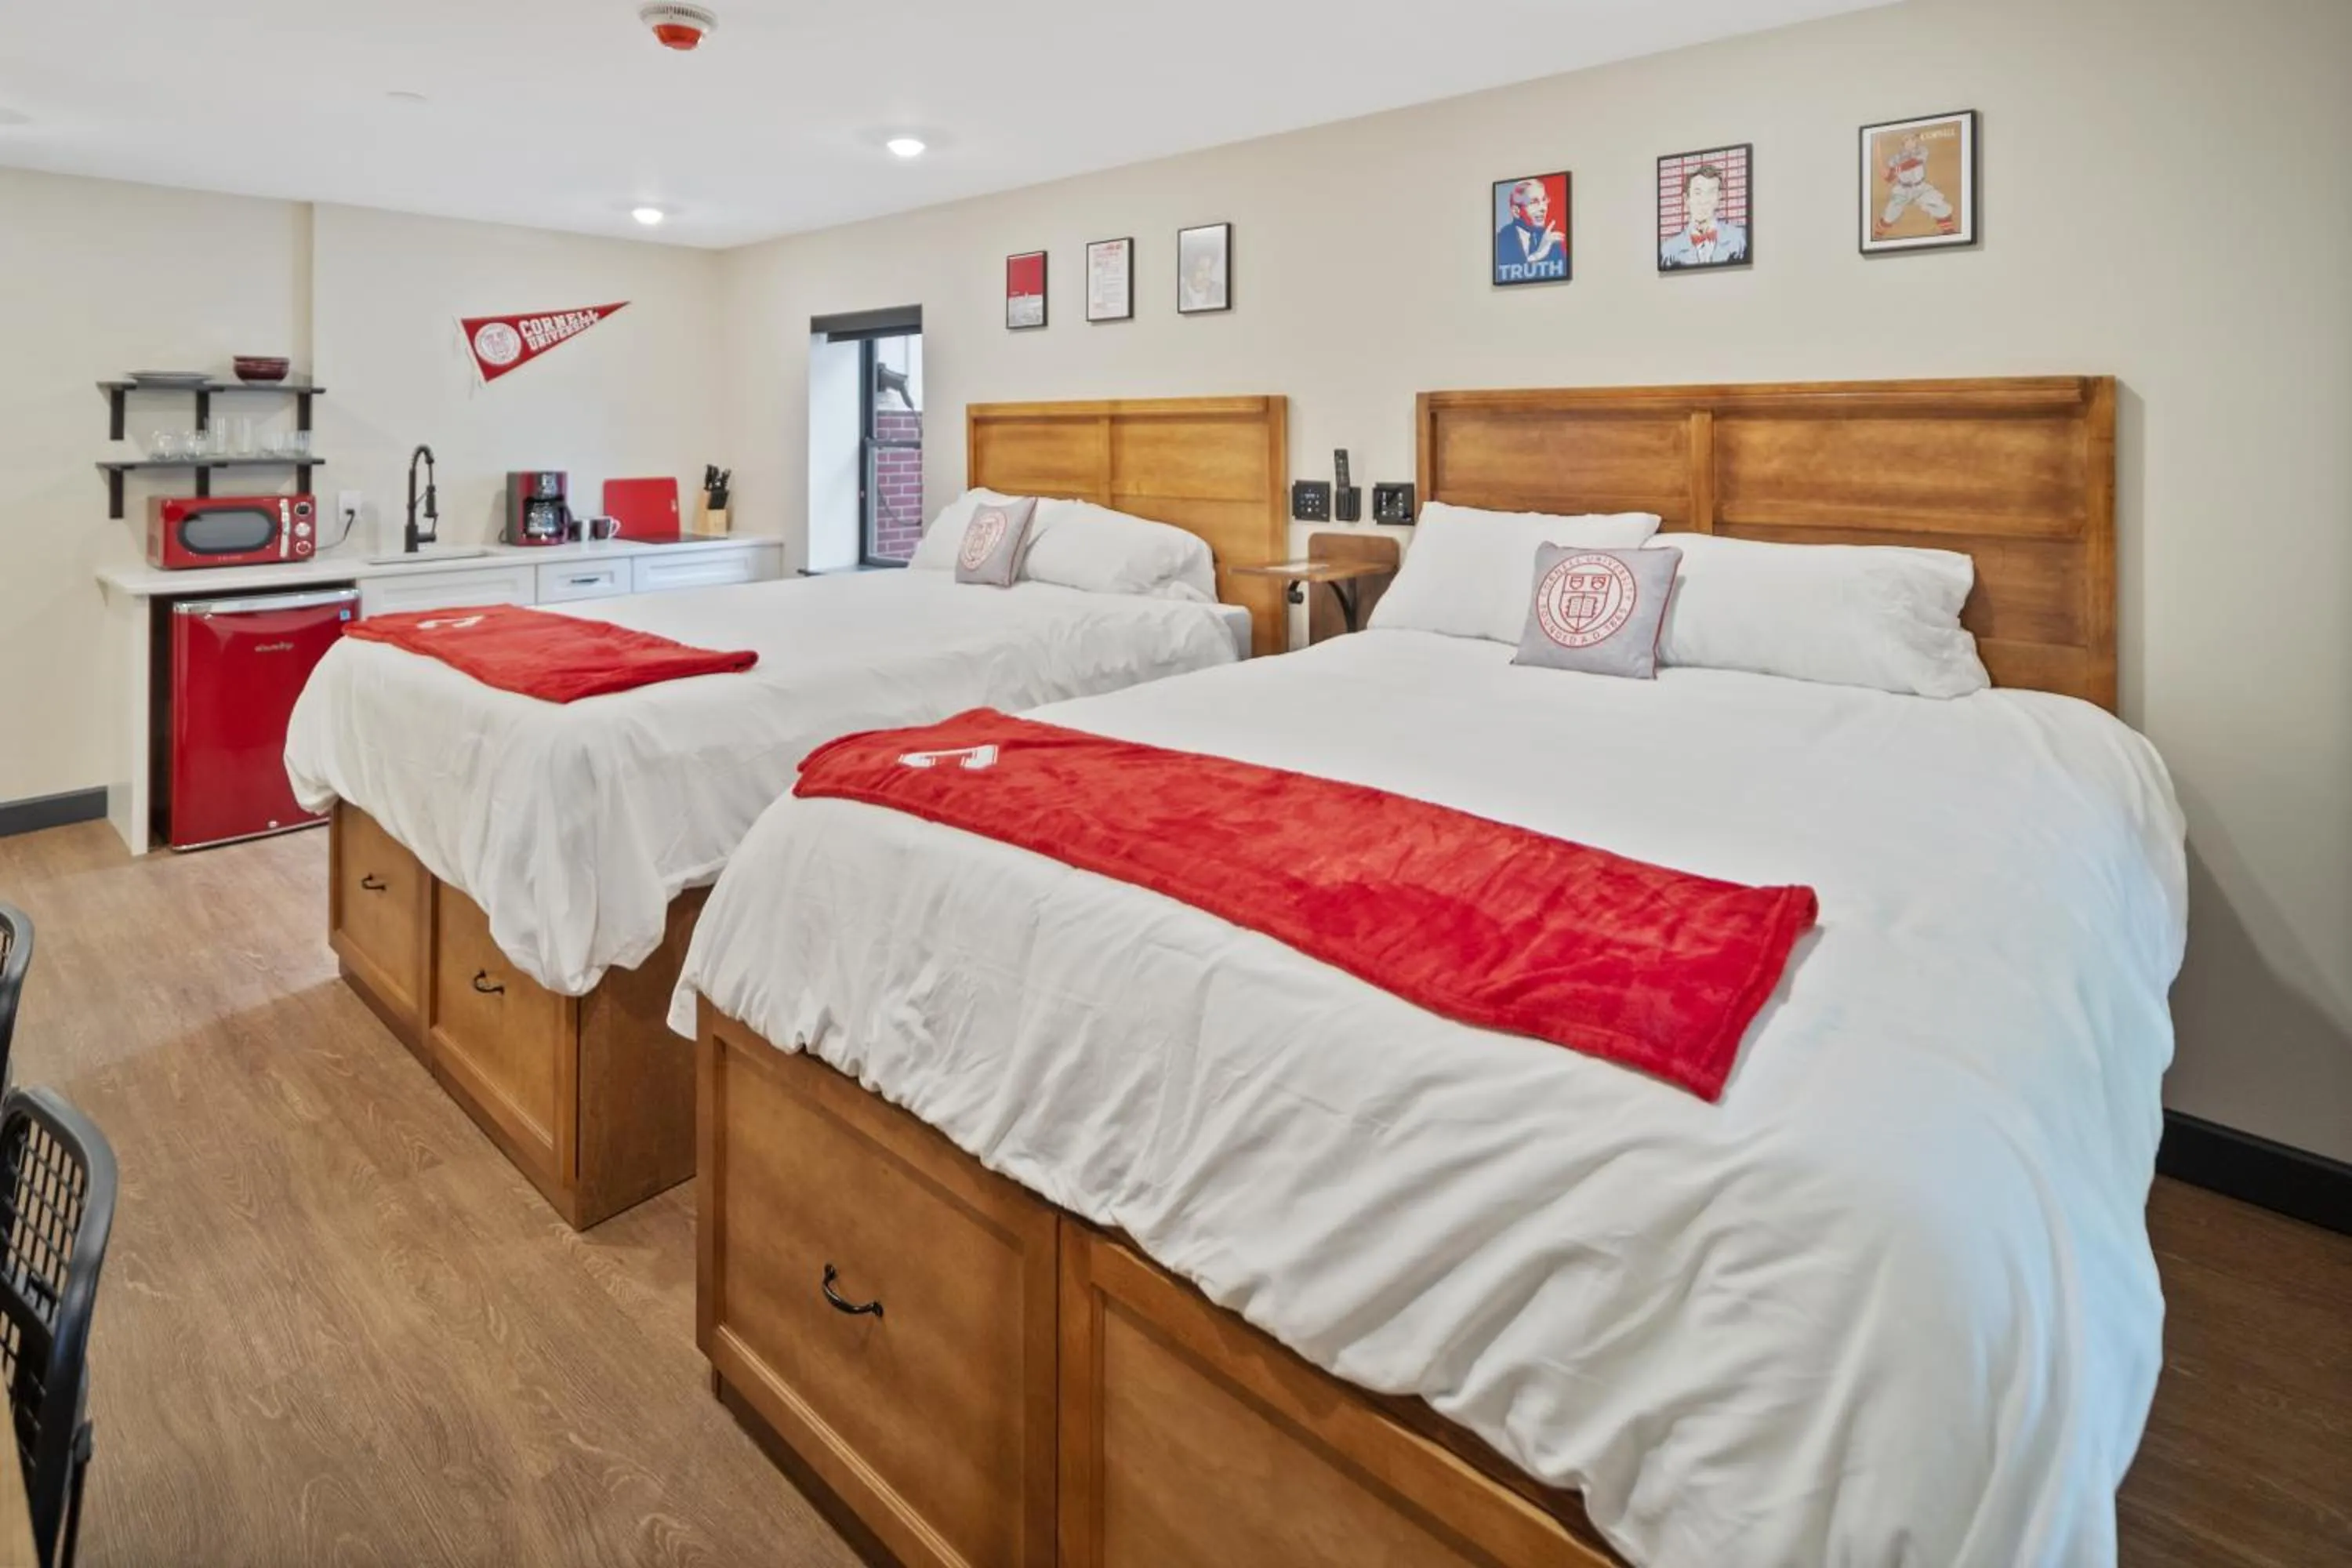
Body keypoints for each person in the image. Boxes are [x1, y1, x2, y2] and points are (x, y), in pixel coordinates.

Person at [1659, 162, 1747, 268]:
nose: (1704, 201)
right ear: (1686, 199)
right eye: (1698, 193)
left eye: (1711, 193)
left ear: (1719, 198)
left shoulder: (1739, 238)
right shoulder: (1669, 249)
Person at [1876, 131, 1957, 237]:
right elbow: (1889, 178)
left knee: (1939, 204)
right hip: (1903, 190)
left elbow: (1913, 163)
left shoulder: (1922, 151)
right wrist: (1886, 174)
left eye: (1912, 140)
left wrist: (1894, 170)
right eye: (1907, 140)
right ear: (1903, 144)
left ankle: (1949, 232)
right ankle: (1877, 235)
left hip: (1921, 188)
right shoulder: (1895, 158)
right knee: (1890, 215)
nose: (1910, 142)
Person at [1494, 178, 1567, 283]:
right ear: (1516, 211)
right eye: (1534, 202)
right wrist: (1537, 255)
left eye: (1544, 200)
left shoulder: (1551, 241)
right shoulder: (1501, 241)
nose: (1543, 208)